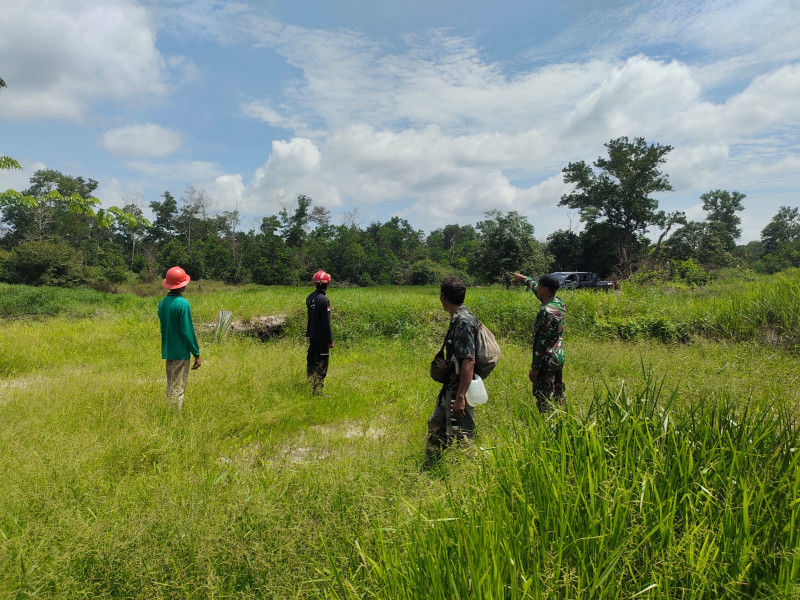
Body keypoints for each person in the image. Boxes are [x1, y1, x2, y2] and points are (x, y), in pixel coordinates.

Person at [426, 276, 479, 463]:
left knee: (464, 435)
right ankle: (431, 466)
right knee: (436, 424)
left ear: (443, 297)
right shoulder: (458, 319)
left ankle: (469, 470)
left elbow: (468, 361)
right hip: (452, 386)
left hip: (459, 389)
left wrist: (461, 397)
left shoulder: (463, 321)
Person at [157, 266, 201, 411]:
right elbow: (187, 332)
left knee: (171, 385)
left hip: (168, 351)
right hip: (180, 353)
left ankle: (168, 413)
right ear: (182, 285)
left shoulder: (163, 303)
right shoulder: (183, 304)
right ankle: (174, 420)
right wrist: (196, 353)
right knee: (178, 388)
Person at [528, 273, 566, 412]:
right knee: (558, 390)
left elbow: (541, 342)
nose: (536, 288)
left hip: (546, 359)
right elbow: (536, 291)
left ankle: (547, 423)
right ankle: (564, 417)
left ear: (545, 290)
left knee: (543, 394)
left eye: (539, 286)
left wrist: (535, 367)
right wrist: (524, 279)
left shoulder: (545, 312)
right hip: (558, 355)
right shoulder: (559, 303)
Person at [306, 270, 333, 395]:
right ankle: (317, 392)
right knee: (321, 365)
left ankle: (309, 386)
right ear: (326, 284)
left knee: (311, 362)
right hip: (322, 338)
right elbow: (326, 322)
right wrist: (330, 340)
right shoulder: (324, 300)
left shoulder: (310, 298)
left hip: (312, 336)